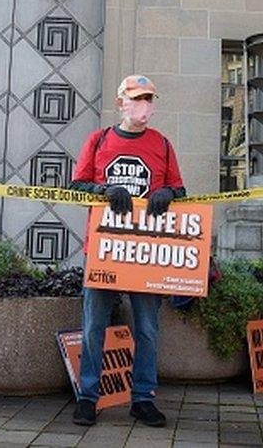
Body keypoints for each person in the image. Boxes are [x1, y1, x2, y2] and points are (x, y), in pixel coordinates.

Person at [67, 75, 185, 428]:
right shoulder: (99, 140)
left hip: (147, 254)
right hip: (104, 249)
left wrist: (170, 195)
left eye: (149, 99)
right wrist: (103, 189)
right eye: (137, 99)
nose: (144, 106)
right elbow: (76, 186)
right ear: (121, 103)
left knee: (148, 327)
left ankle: (143, 398)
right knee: (93, 326)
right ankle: (88, 396)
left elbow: (180, 189)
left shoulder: (162, 145)